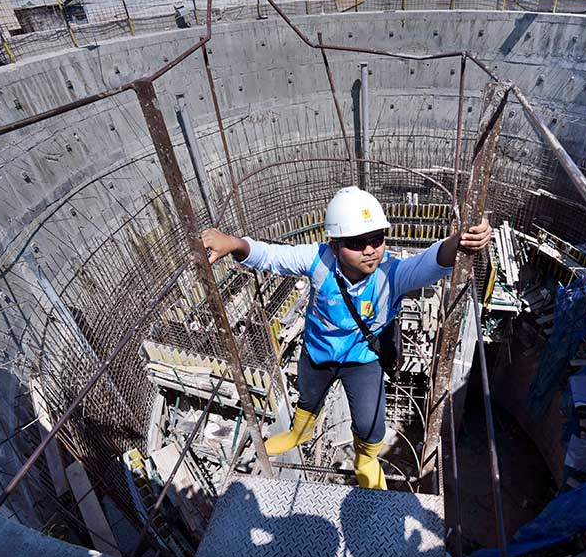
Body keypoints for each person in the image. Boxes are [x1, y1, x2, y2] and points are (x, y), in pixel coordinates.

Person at [201, 186, 492, 489]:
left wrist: (460, 242)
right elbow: (273, 256)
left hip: (362, 360)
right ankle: (298, 435)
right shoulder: (318, 261)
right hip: (317, 355)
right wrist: (234, 243)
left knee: (369, 424)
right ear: (335, 245)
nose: (370, 250)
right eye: (356, 243)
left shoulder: (393, 274)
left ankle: (366, 460)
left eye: (376, 239)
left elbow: (431, 261)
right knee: (308, 402)